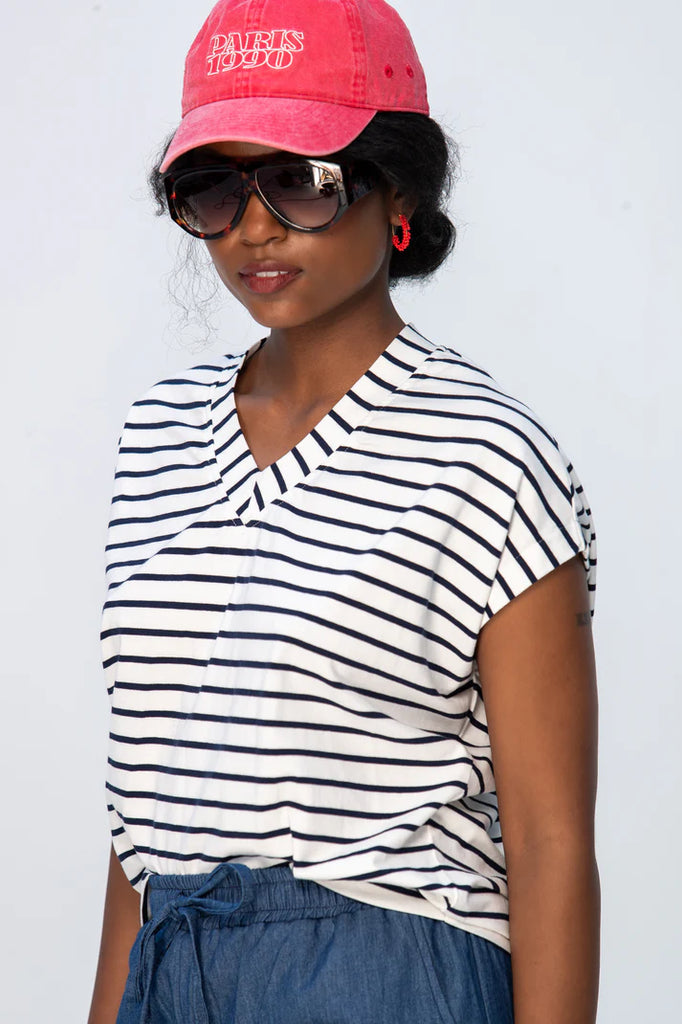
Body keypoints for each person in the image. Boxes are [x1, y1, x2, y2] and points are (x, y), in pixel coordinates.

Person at [88, 1, 600, 1022]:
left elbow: (550, 843)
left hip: (386, 974)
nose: (255, 227)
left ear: (395, 189)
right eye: (213, 188)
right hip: (171, 966)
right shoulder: (157, 433)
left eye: (301, 180)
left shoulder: (488, 455)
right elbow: (143, 810)